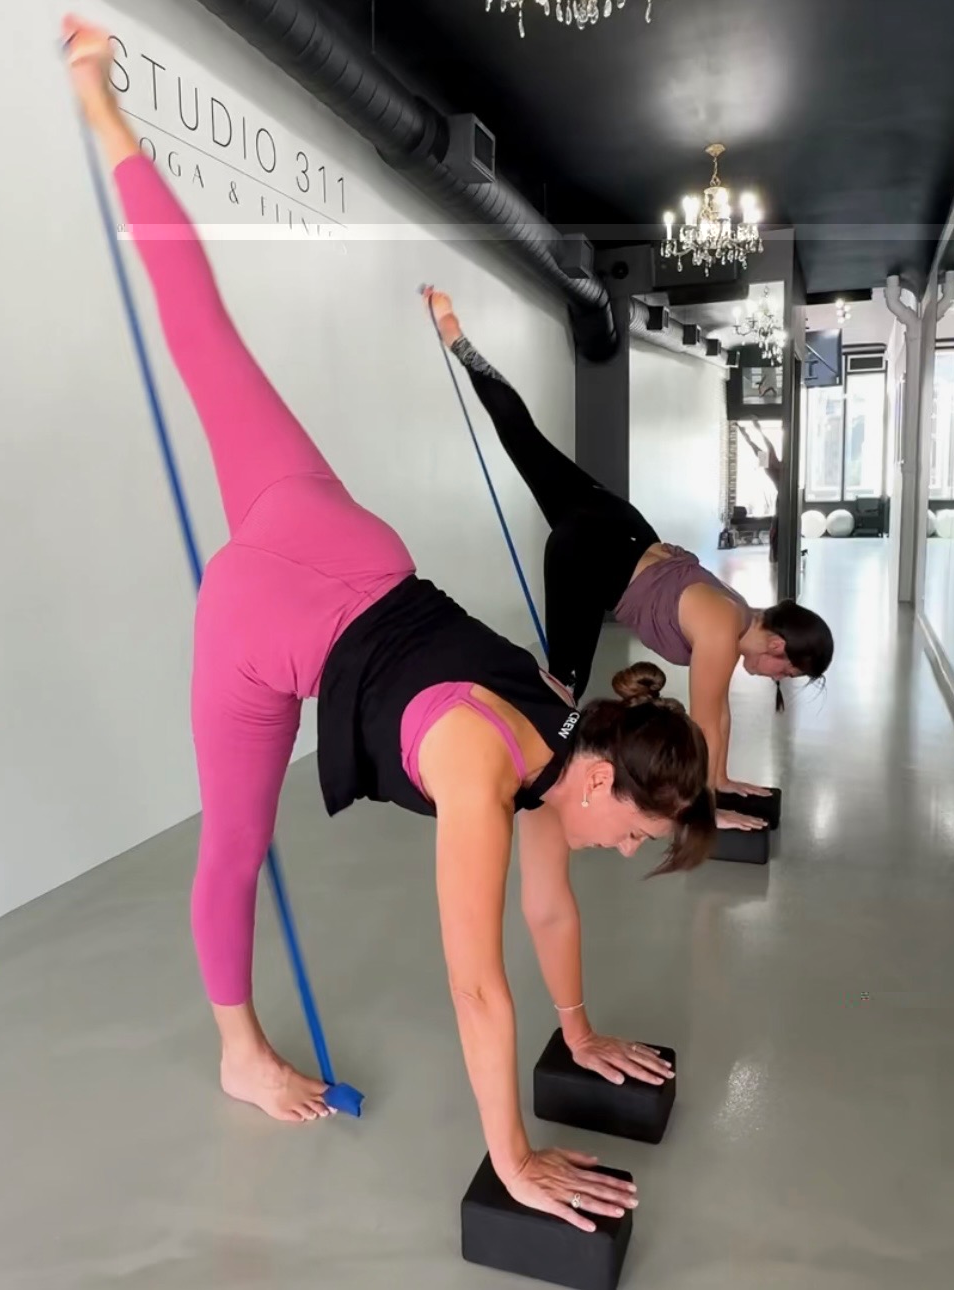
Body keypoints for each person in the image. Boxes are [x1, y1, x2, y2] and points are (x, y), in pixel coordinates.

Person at [63, 16, 716, 1232]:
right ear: (604, 784)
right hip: (259, 627)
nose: (628, 852)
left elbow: (550, 910)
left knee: (203, 331)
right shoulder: (486, 768)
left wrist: (582, 1033)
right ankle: (237, 1050)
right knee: (234, 846)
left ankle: (102, 106)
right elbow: (475, 984)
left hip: (329, 532)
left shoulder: (558, 729)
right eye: (638, 829)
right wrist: (512, 1157)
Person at [423, 289, 833, 822]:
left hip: (618, 524)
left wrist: (723, 780)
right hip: (588, 553)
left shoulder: (735, 609)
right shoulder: (719, 631)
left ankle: (457, 336)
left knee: (523, 438)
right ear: (778, 644)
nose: (774, 678)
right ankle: (512, 762)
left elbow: (721, 717)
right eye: (784, 671)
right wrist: (710, 807)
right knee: (564, 687)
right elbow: (710, 717)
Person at [737, 419, 782, 564]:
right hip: (783, 499)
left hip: (783, 498)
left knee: (777, 529)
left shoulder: (775, 465)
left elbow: (765, 446)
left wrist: (756, 429)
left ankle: (776, 556)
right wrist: (755, 430)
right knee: (777, 529)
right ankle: (776, 556)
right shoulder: (771, 466)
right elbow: (760, 446)